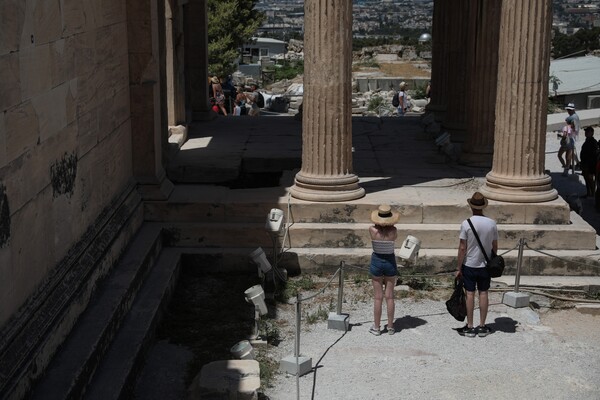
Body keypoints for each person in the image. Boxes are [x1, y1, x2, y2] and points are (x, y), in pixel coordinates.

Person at [456, 192, 498, 338]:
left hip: (470, 264)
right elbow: (494, 247)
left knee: (469, 294)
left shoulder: (466, 223)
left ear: (471, 206)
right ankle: (482, 325)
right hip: (485, 265)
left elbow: (462, 248)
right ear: (483, 206)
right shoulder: (492, 223)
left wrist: (459, 267)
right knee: (484, 293)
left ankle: (470, 326)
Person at [368, 204, 399, 336]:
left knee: (378, 297)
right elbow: (393, 238)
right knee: (390, 296)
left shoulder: (372, 230)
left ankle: (376, 327)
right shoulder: (394, 231)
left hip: (376, 261)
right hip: (390, 262)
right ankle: (391, 326)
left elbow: (375, 229)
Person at [580, 126, 598, 198]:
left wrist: (591, 168)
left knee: (590, 180)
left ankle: (593, 194)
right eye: (586, 131)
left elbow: (593, 156)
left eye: (588, 132)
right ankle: (588, 193)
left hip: (590, 165)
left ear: (592, 133)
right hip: (585, 164)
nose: (586, 133)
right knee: (586, 179)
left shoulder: (593, 142)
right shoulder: (587, 141)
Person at [565, 103, 580, 168]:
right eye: (568, 109)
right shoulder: (575, 116)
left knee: (570, 151)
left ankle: (568, 166)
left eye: (570, 110)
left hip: (571, 136)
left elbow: (571, 126)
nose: (568, 111)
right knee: (573, 150)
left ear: (573, 110)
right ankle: (578, 163)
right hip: (573, 135)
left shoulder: (572, 117)